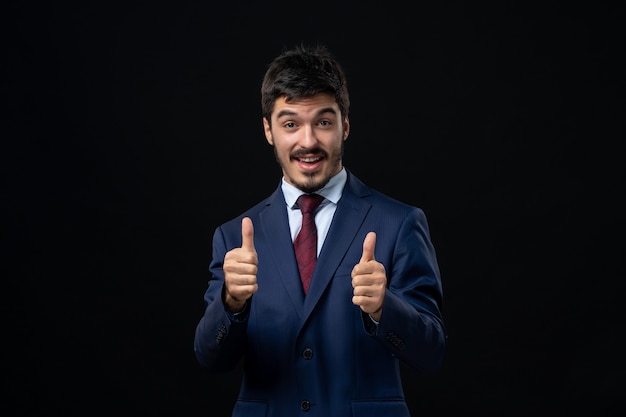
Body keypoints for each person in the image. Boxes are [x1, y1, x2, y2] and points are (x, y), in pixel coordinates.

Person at [193, 43, 447, 417]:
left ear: (345, 125)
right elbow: (209, 358)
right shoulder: (234, 237)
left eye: (323, 122)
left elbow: (432, 353)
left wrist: (383, 309)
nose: (308, 141)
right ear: (268, 130)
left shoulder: (400, 223)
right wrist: (231, 303)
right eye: (291, 123)